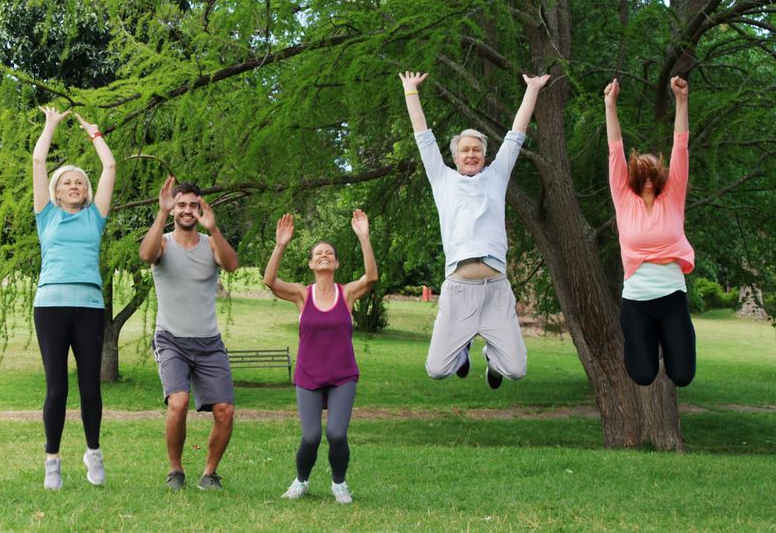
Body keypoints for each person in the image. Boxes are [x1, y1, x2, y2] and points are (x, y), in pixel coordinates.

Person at [398, 70, 548, 389]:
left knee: (517, 369)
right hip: (459, 288)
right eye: (464, 150)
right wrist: (411, 91)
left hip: (495, 288)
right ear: (454, 157)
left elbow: (516, 134)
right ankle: (463, 353)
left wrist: (532, 89)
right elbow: (422, 136)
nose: (470, 155)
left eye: (476, 150)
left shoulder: (496, 176)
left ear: (484, 156)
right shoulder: (442, 179)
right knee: (437, 369)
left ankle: (493, 362)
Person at [263, 210, 378, 504]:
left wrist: (364, 237)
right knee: (311, 437)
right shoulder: (302, 294)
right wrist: (281, 245)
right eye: (318, 254)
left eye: (329, 253)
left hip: (342, 376)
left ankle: (339, 484)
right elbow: (270, 280)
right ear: (312, 263)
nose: (324, 255)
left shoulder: (347, 293)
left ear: (336, 263)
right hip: (309, 376)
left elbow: (372, 276)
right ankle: (301, 481)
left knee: (337, 434)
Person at [31, 106, 117, 490]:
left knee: (89, 386)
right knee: (56, 388)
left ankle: (93, 453)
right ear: (55, 190)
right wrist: (50, 126)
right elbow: (37, 160)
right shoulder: (45, 216)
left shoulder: (94, 216)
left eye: (79, 183)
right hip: (50, 307)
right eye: (66, 182)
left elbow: (110, 169)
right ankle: (52, 460)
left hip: (89, 308)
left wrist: (95, 134)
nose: (74, 186)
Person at [138, 175, 240, 491]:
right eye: (180, 205)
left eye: (192, 206)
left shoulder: (211, 245)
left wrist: (214, 228)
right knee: (178, 403)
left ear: (200, 210)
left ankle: (209, 474)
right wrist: (160, 212)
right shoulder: (163, 243)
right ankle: (176, 470)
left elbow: (232, 265)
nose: (186, 210)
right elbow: (146, 254)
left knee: (225, 411)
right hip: (171, 339)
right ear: (173, 209)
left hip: (208, 341)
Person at [604, 77, 696, 387]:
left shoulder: (672, 198)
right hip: (637, 302)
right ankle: (648, 343)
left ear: (659, 176)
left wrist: (681, 100)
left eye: (651, 172)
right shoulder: (624, 199)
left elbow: (680, 146)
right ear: (633, 176)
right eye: (640, 172)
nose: (646, 178)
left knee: (682, 376)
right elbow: (615, 150)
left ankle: (670, 342)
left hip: (672, 298)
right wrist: (610, 105)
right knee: (642, 376)